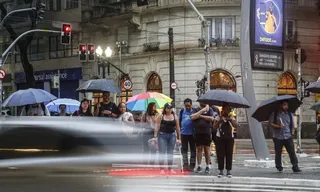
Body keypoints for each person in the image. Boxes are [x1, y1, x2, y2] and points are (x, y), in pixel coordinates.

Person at [269, 100, 301, 173]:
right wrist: (278, 126)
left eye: (286, 105)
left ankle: (295, 166)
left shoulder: (289, 114)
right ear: (281, 105)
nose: (286, 106)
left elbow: (292, 125)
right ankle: (279, 166)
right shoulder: (275, 113)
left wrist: (292, 133)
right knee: (278, 153)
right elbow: (271, 123)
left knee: (292, 152)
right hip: (278, 137)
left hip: (287, 136)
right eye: (284, 105)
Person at [154, 103, 181, 174]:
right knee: (162, 152)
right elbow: (157, 127)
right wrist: (155, 137)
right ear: (165, 109)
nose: (169, 110)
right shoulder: (161, 116)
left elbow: (178, 128)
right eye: (168, 108)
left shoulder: (175, 116)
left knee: (170, 152)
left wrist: (179, 138)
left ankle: (170, 168)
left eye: (170, 108)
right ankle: (162, 169)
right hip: (162, 135)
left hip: (172, 135)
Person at [213, 103, 236, 178]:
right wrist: (220, 120)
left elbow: (235, 125)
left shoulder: (231, 117)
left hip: (230, 138)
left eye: (229, 109)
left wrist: (230, 120)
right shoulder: (218, 117)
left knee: (229, 154)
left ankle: (228, 171)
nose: (228, 110)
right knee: (220, 154)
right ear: (223, 109)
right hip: (220, 138)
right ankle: (221, 171)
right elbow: (214, 126)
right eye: (227, 109)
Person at [191, 103, 214, 174]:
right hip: (198, 132)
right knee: (199, 149)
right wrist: (202, 111)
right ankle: (199, 165)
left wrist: (200, 116)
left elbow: (211, 118)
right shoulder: (195, 109)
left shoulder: (210, 109)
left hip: (206, 132)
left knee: (207, 149)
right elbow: (192, 117)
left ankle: (207, 166)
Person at [179, 98, 196, 171]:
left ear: (191, 104)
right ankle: (185, 164)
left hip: (192, 134)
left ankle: (192, 165)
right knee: (184, 150)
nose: (187, 107)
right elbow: (179, 121)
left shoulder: (195, 111)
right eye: (186, 106)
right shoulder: (182, 111)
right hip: (184, 133)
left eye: (189, 105)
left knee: (193, 149)